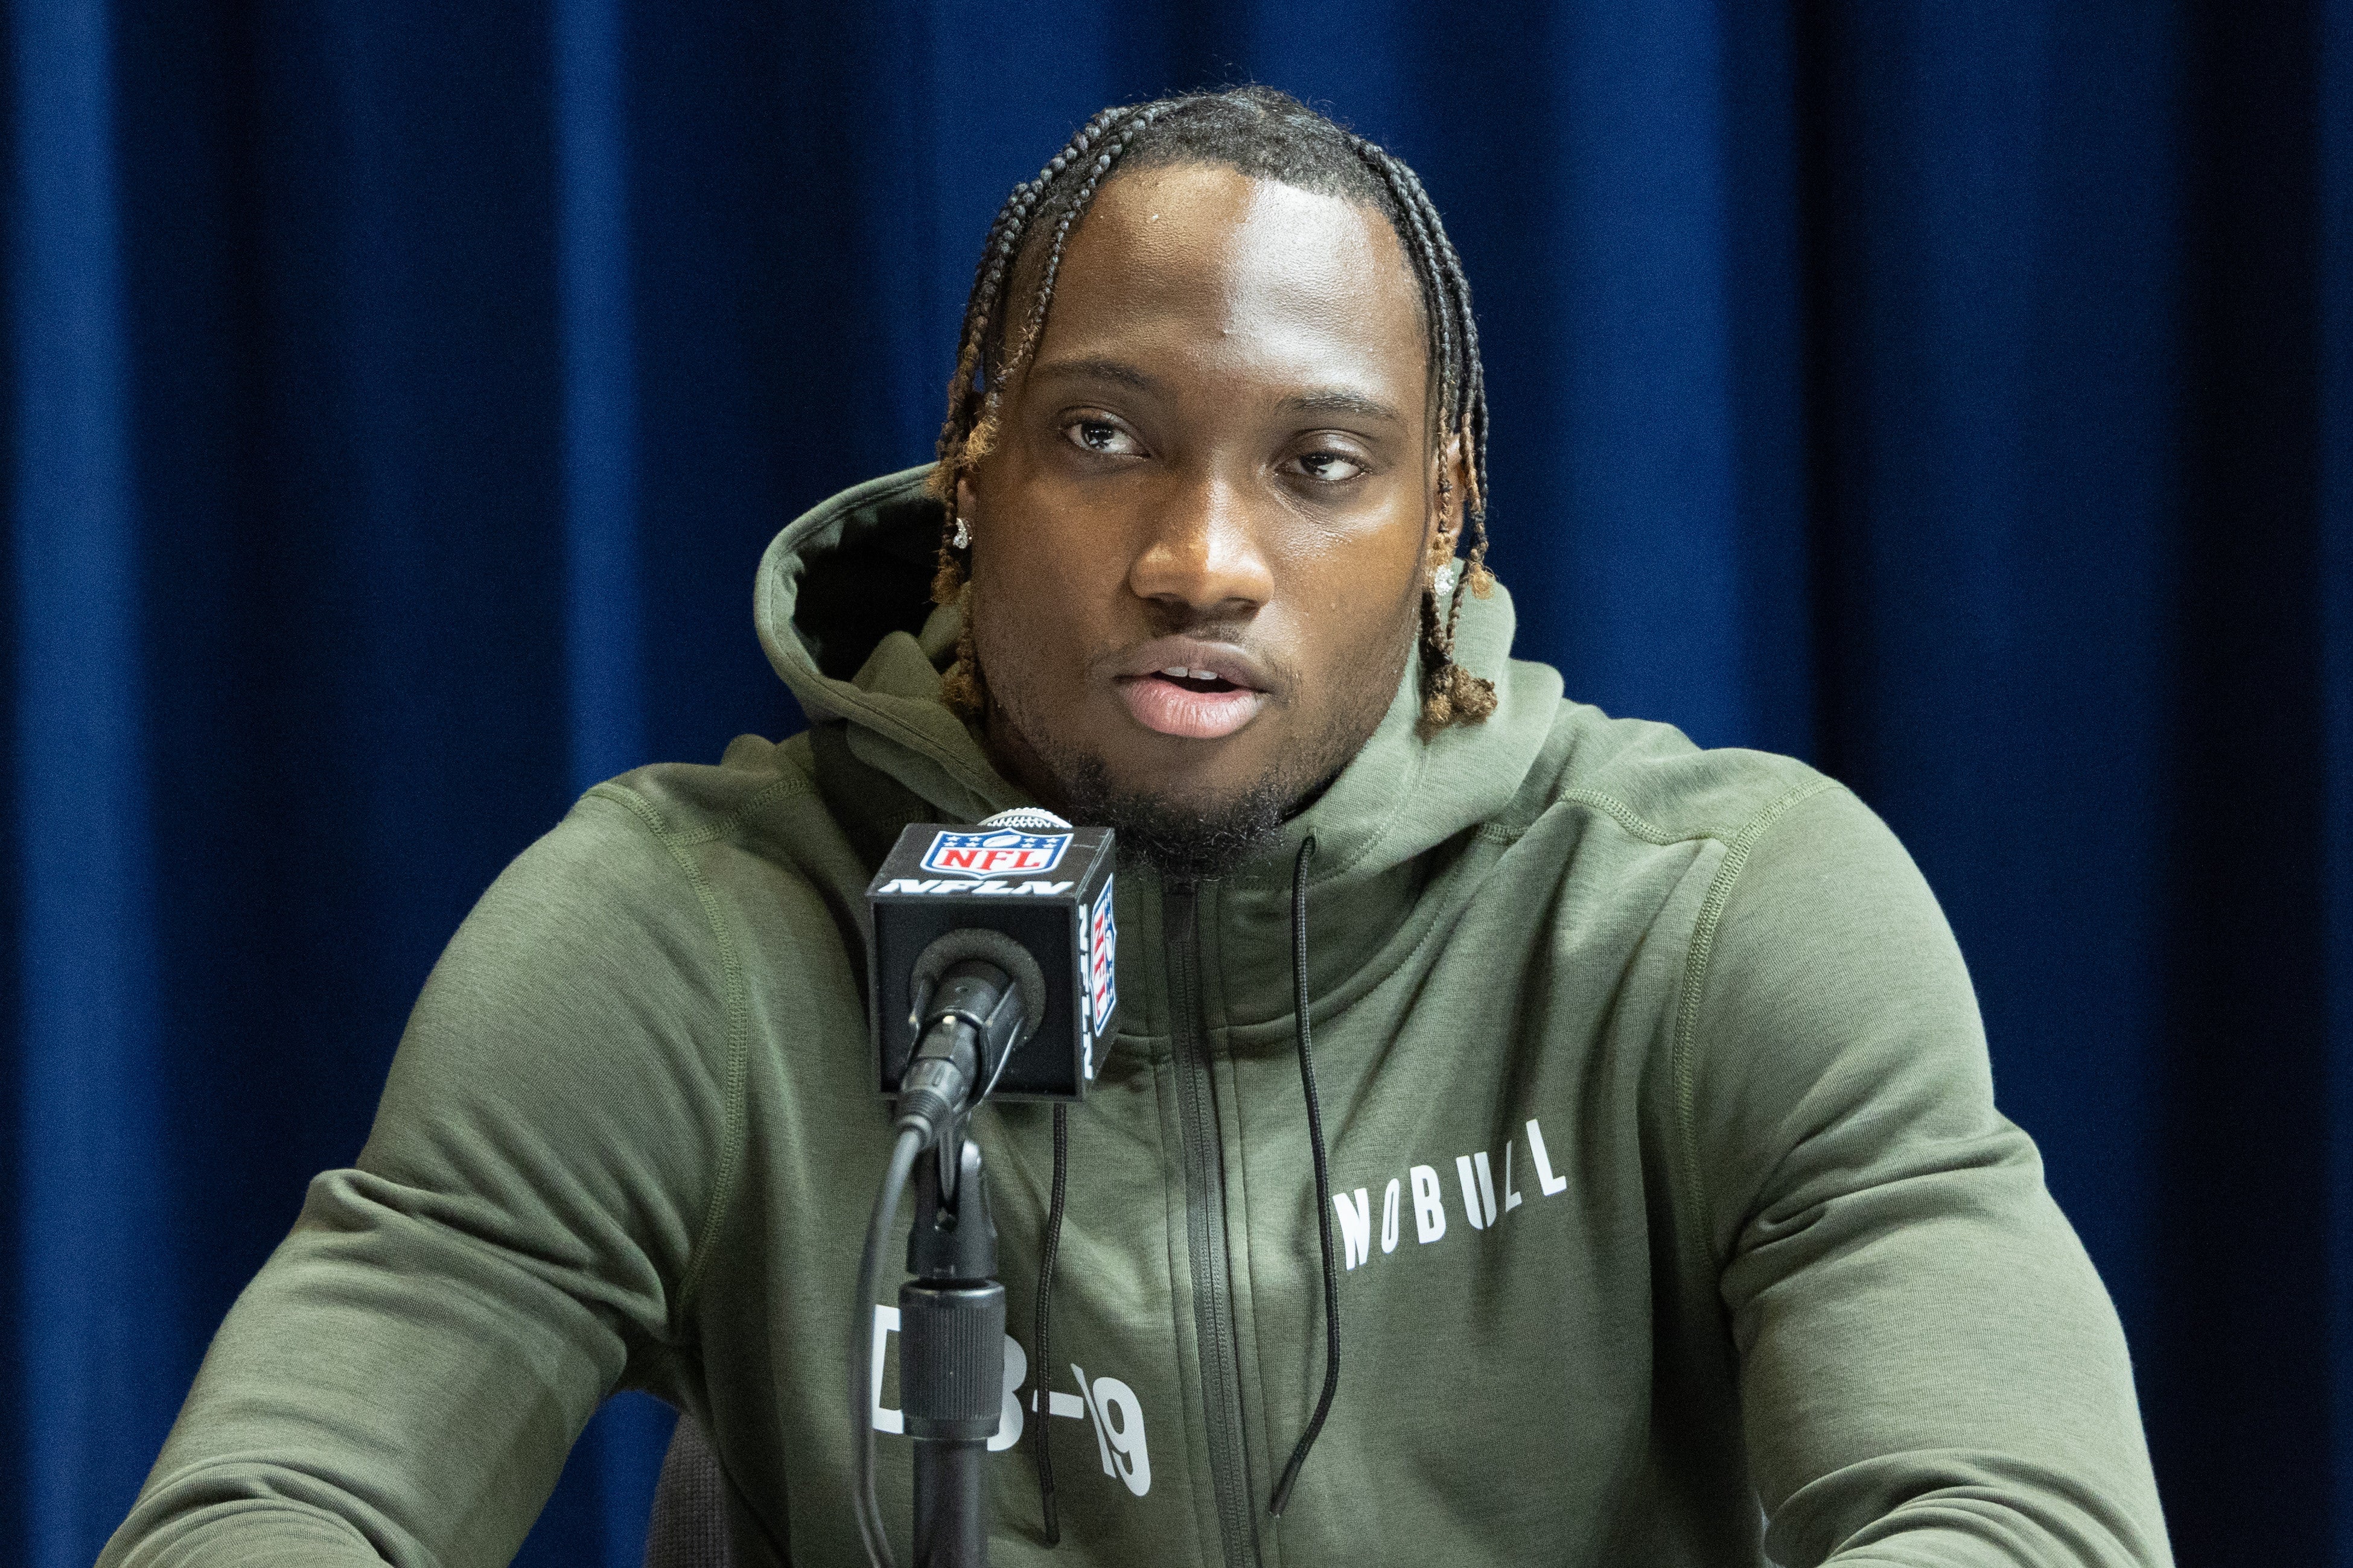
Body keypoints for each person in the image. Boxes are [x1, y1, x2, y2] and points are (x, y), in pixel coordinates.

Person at [103, 87, 2171, 1567]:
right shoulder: (686, 931)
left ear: (1441, 516)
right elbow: (283, 1501)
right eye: (1105, 440)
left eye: (1318, 464)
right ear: (973, 467)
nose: (1202, 557)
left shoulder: (1711, 915)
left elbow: (2014, 1510)